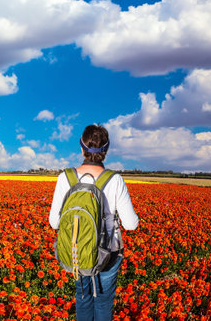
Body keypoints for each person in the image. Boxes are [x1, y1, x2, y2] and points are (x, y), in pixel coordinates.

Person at [49, 124, 138, 321]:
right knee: (104, 301)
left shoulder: (66, 177)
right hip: (108, 253)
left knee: (83, 299)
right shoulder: (114, 180)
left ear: (82, 148)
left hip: (76, 250)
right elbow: (131, 224)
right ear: (105, 151)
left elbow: (54, 222)